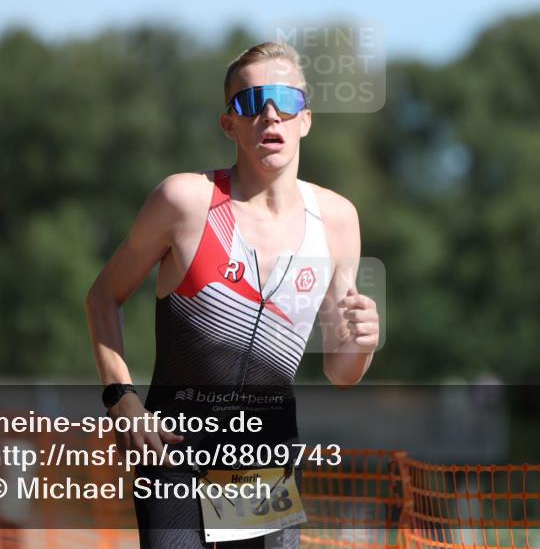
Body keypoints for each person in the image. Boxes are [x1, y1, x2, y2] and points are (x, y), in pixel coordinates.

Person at [85, 41, 380, 548]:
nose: (270, 114)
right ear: (229, 124)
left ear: (306, 119)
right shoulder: (185, 201)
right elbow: (102, 297)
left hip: (264, 457)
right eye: (251, 102)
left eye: (286, 100)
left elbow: (341, 371)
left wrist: (363, 343)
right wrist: (122, 400)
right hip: (173, 449)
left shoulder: (337, 219)